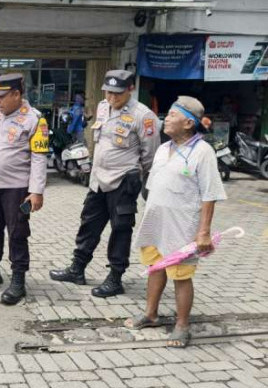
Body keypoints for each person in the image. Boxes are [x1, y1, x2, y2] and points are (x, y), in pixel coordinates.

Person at [125, 96, 226, 348]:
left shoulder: (202, 152)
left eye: (172, 115)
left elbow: (210, 194)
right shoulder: (162, 149)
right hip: (156, 223)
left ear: (189, 123)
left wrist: (203, 232)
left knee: (181, 275)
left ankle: (182, 326)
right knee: (155, 267)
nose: (166, 119)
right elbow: (152, 187)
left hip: (182, 226)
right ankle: (151, 314)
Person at [49, 70, 160, 297]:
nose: (112, 98)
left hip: (123, 181)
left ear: (130, 89)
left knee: (120, 229)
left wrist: (139, 177)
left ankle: (115, 278)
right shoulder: (102, 107)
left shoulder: (144, 116)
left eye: (117, 93)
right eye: (108, 92)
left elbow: (150, 155)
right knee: (88, 223)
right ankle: (77, 268)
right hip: (98, 179)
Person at [0, 73, 49, 306]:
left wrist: (36, 191)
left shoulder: (35, 119)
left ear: (16, 94)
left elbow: (39, 158)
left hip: (17, 189)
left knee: (17, 233)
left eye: (2, 97)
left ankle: (18, 281)